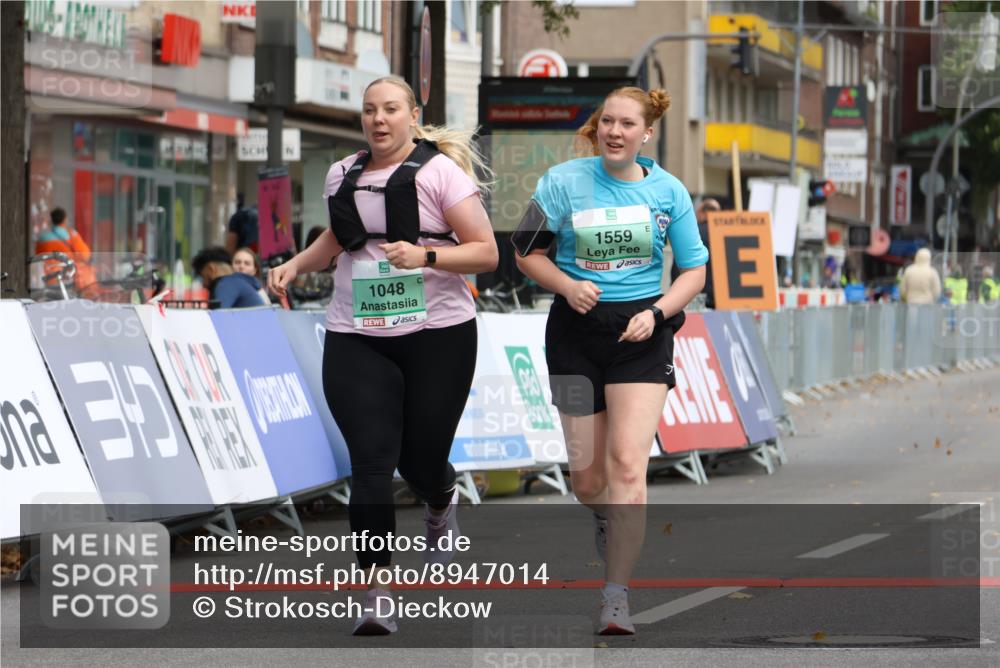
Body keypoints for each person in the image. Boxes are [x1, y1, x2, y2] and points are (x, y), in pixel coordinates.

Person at [268, 75, 498, 635]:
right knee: (370, 465)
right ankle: (377, 591)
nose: (379, 119)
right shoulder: (341, 174)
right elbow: (342, 238)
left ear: (412, 115)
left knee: (419, 462)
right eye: (370, 110)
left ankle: (440, 499)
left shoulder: (440, 173)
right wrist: (297, 264)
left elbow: (487, 253)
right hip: (356, 333)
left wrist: (425, 256)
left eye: (391, 109)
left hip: (437, 335)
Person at [512, 86, 707, 635]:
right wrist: (568, 286)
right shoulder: (562, 182)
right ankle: (602, 514)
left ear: (647, 133)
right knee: (587, 479)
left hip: (641, 337)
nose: (615, 132)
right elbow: (526, 250)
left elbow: (694, 270)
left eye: (627, 125)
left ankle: (615, 596)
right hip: (574, 336)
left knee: (627, 467)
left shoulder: (669, 192)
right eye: (608, 123)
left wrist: (660, 311)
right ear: (598, 129)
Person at [34, 207, 99, 296]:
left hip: (49, 278)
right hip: (68, 277)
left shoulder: (42, 238)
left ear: (52, 220)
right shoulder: (71, 234)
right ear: (65, 219)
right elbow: (85, 255)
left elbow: (38, 257)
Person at [669, 197, 720, 308]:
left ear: (702, 213)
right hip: (722, 300)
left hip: (695, 299)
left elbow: (677, 267)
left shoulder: (693, 232)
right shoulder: (726, 235)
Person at [191, 246, 266, 308]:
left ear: (211, 269)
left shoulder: (226, 284)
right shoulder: (237, 283)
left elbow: (218, 317)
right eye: (237, 262)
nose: (204, 284)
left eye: (203, 276)